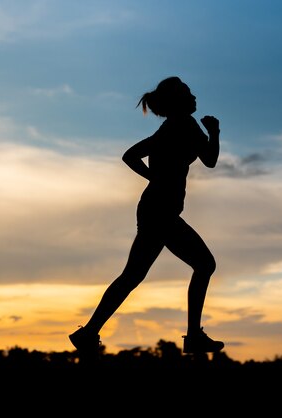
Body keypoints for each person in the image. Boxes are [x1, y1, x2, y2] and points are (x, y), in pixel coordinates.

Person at [69, 76, 224, 356]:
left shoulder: (176, 127)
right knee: (204, 264)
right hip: (160, 211)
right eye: (188, 93)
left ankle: (89, 332)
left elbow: (132, 156)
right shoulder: (182, 126)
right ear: (179, 100)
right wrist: (213, 132)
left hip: (155, 208)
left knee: (133, 275)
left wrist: (154, 176)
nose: (194, 96)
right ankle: (193, 336)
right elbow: (208, 160)